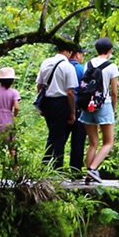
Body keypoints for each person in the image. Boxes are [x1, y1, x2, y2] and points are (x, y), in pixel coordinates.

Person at [77, 37, 119, 180]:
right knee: (109, 142)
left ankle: (88, 174)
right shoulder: (111, 67)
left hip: (88, 104)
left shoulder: (88, 64)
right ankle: (93, 169)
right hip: (103, 105)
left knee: (93, 143)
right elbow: (114, 92)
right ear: (110, 50)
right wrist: (113, 108)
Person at [34, 39, 80, 170]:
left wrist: (42, 106)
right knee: (58, 137)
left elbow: (39, 85)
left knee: (53, 134)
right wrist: (72, 112)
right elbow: (70, 92)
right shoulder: (68, 67)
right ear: (69, 51)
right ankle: (55, 167)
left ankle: (46, 166)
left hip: (48, 101)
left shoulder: (46, 62)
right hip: (61, 102)